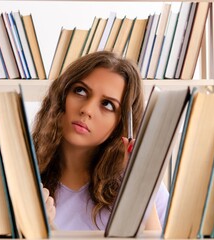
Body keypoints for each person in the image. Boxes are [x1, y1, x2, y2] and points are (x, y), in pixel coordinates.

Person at [32, 51, 169, 231]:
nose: (87, 110)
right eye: (80, 91)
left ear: (120, 125)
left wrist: (139, 186)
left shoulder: (147, 187)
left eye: (107, 104)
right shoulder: (23, 175)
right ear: (61, 96)